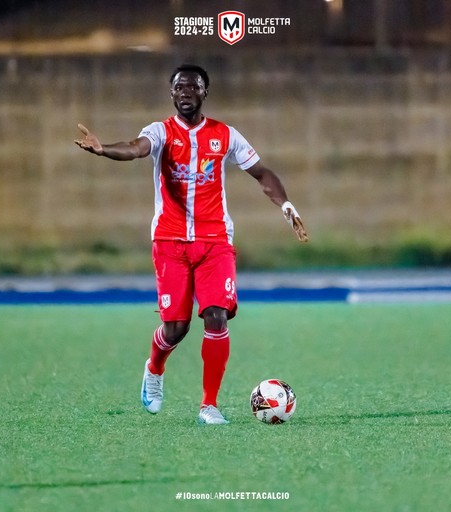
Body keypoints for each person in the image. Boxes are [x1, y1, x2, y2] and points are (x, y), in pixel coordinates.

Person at [74, 64, 308, 425]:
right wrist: (104, 149)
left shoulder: (225, 135)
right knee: (176, 328)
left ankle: (208, 405)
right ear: (171, 94)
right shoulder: (161, 132)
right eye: (179, 88)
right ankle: (154, 367)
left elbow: (262, 173)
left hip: (215, 241)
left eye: (193, 87)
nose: (185, 93)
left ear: (204, 92)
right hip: (170, 241)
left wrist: (286, 205)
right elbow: (136, 149)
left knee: (216, 316)